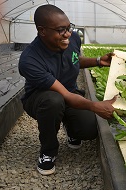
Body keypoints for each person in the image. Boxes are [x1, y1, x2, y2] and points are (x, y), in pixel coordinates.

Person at [18, 4, 116, 175]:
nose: (68, 34)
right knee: (54, 101)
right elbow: (63, 94)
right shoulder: (30, 60)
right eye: (61, 30)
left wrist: (99, 61)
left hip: (69, 93)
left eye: (69, 27)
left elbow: (74, 60)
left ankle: (71, 128)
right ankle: (48, 151)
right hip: (41, 99)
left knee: (89, 130)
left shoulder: (72, 40)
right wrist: (95, 106)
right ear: (42, 31)